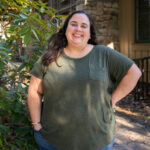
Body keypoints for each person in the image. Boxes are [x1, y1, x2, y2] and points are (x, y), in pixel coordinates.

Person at [27, 10, 141, 150]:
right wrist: (36, 124)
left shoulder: (103, 54)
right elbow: (34, 90)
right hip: (52, 141)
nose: (78, 29)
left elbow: (134, 73)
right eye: (73, 24)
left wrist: (113, 99)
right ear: (66, 29)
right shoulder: (50, 57)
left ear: (90, 32)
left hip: (97, 140)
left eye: (84, 26)